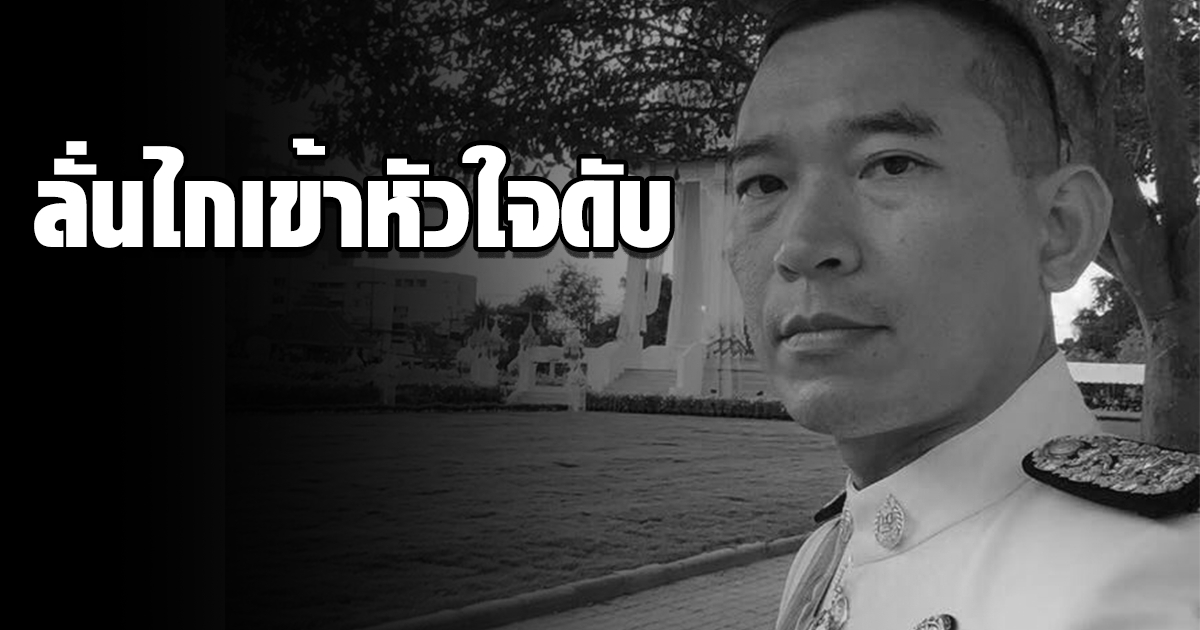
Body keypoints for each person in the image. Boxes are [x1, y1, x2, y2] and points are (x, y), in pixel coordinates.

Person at [723, 1, 1200, 629]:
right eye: (764, 184)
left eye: (891, 164)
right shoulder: (826, 556)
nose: (803, 246)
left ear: (1060, 227)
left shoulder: (1155, 585)